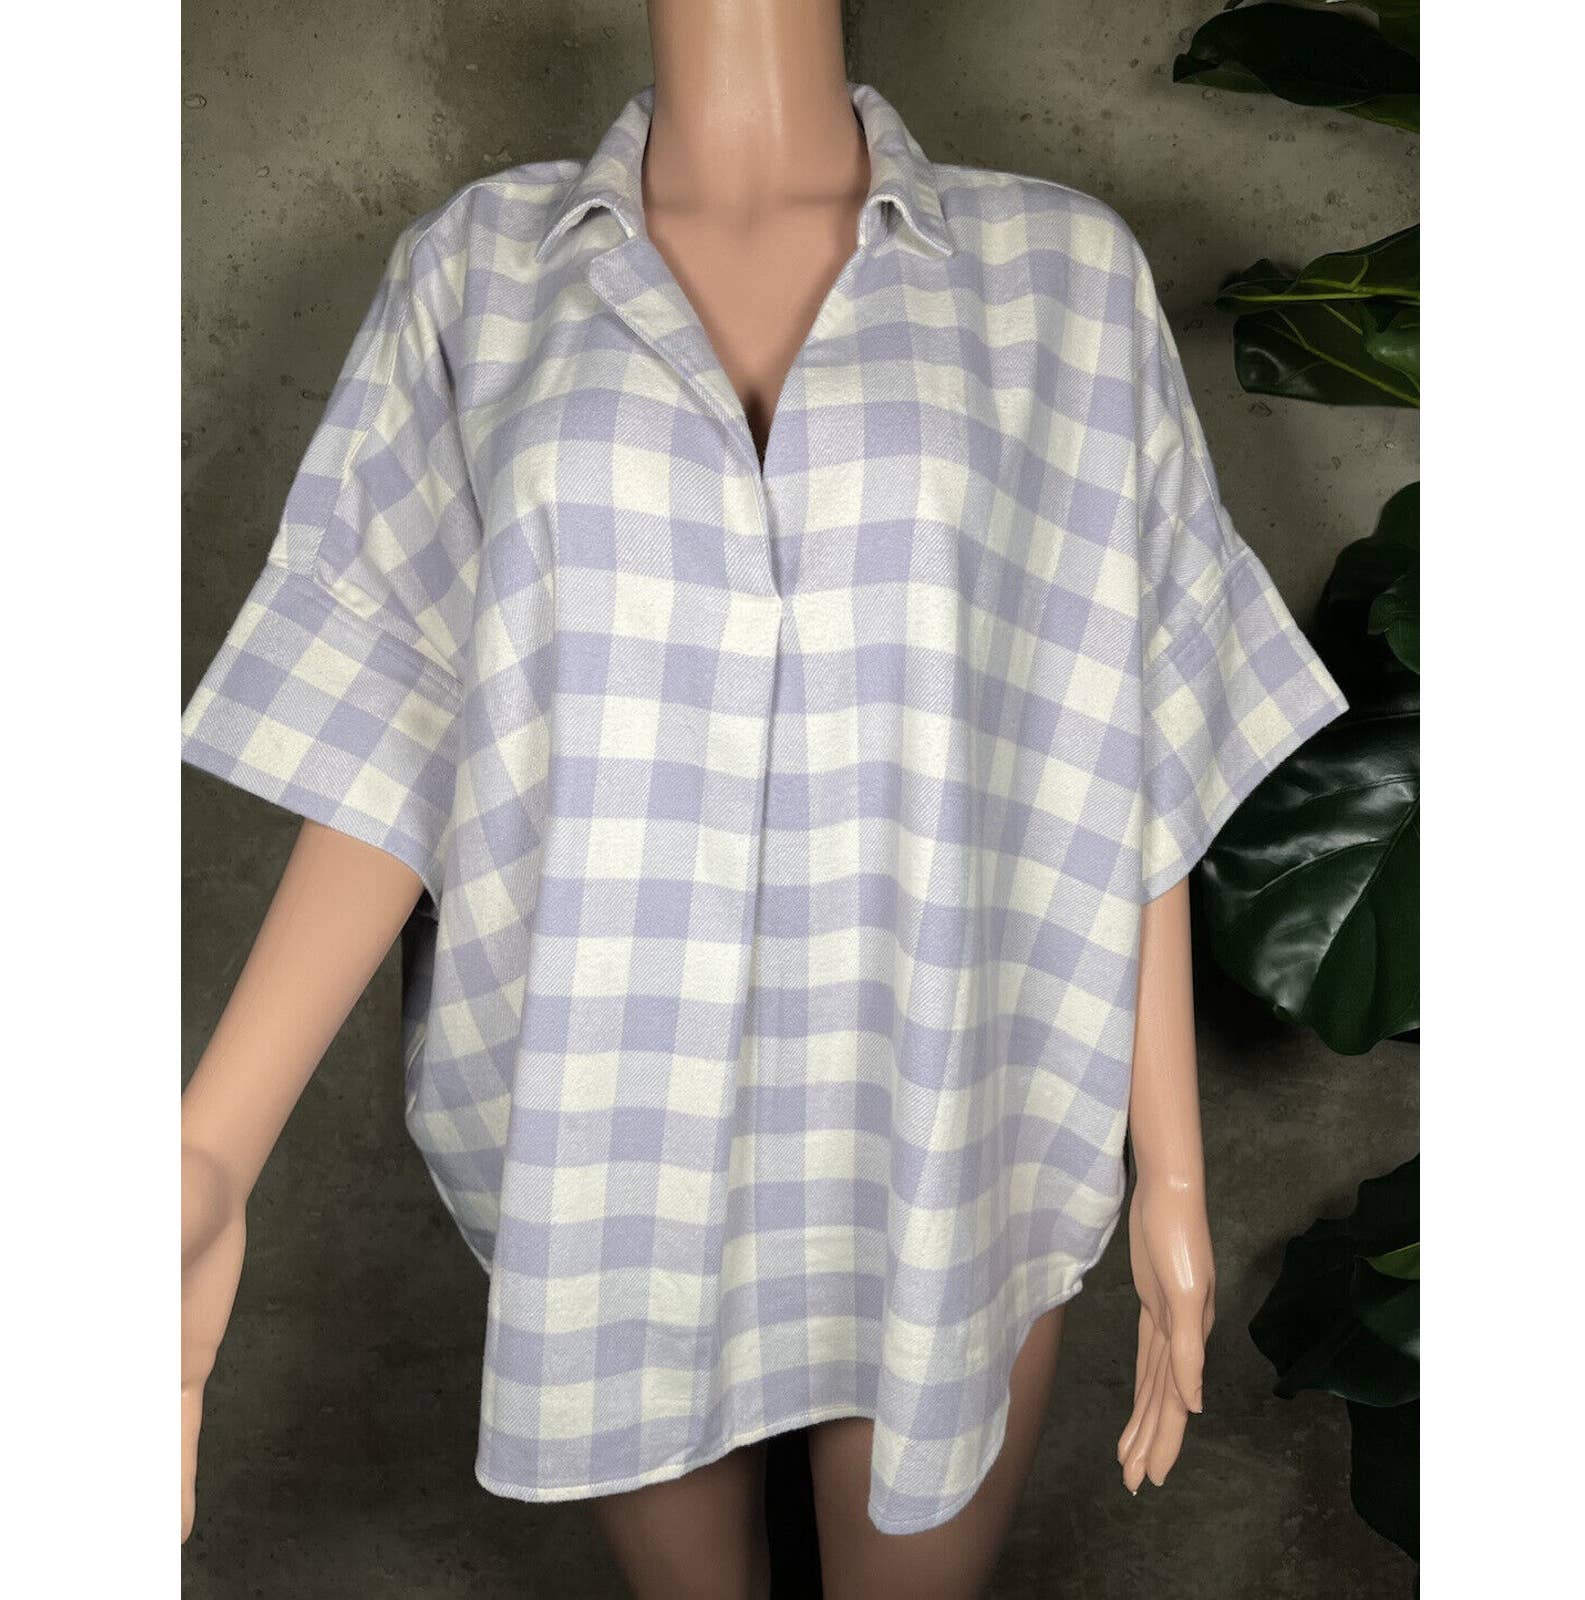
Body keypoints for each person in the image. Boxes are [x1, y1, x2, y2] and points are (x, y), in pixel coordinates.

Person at [180, 5, 1348, 1596]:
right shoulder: (475, 274)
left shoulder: (1061, 278)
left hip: (948, 1128)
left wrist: (1175, 1180)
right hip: (613, 1136)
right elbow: (392, 725)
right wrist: (209, 1154)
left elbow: (1116, 728)